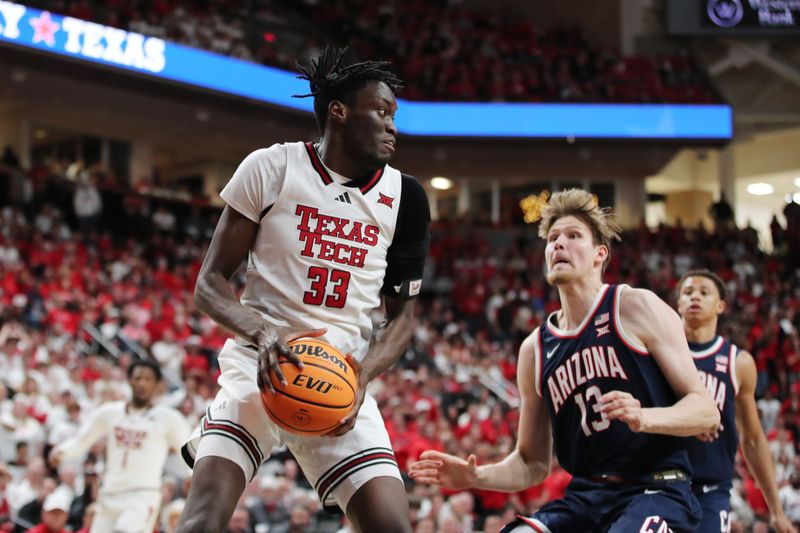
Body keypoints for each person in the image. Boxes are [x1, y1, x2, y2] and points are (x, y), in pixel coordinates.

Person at [176, 46, 430, 533]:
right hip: (260, 363)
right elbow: (208, 284)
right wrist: (264, 334)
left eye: (394, 115)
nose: (393, 125)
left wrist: (362, 375)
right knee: (201, 522)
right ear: (338, 111)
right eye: (381, 111)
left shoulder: (407, 197)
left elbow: (401, 320)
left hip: (340, 372)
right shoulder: (271, 167)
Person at [409, 189, 719, 532]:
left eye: (573, 236)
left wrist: (644, 416)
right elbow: (531, 463)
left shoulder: (634, 307)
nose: (559, 244)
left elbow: (705, 411)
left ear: (600, 254)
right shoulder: (535, 349)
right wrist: (476, 475)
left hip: (657, 489)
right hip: (586, 498)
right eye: (553, 238)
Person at [677, 270, 794, 533]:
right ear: (678, 305)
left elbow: (752, 438)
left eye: (704, 292)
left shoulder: (737, 362)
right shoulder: (659, 353)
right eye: (688, 292)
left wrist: (775, 510)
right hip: (661, 483)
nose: (695, 296)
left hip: (711, 490)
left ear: (721, 305)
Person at [48, 360, 190, 533]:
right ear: (129, 380)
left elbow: (190, 452)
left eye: (148, 379)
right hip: (109, 494)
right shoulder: (110, 412)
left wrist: (195, 476)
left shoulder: (169, 418)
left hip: (142, 496)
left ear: (158, 385)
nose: (142, 383)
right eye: (137, 378)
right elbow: (82, 440)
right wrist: (61, 453)